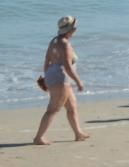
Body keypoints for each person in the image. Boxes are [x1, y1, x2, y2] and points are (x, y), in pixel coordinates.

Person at [33, 16, 90, 145]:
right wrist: (79, 82)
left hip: (55, 76)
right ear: (72, 29)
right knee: (53, 109)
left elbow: (47, 61)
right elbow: (68, 67)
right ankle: (38, 138)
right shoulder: (65, 44)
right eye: (75, 27)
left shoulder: (54, 41)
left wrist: (47, 77)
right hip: (61, 79)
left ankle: (78, 133)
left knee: (72, 107)